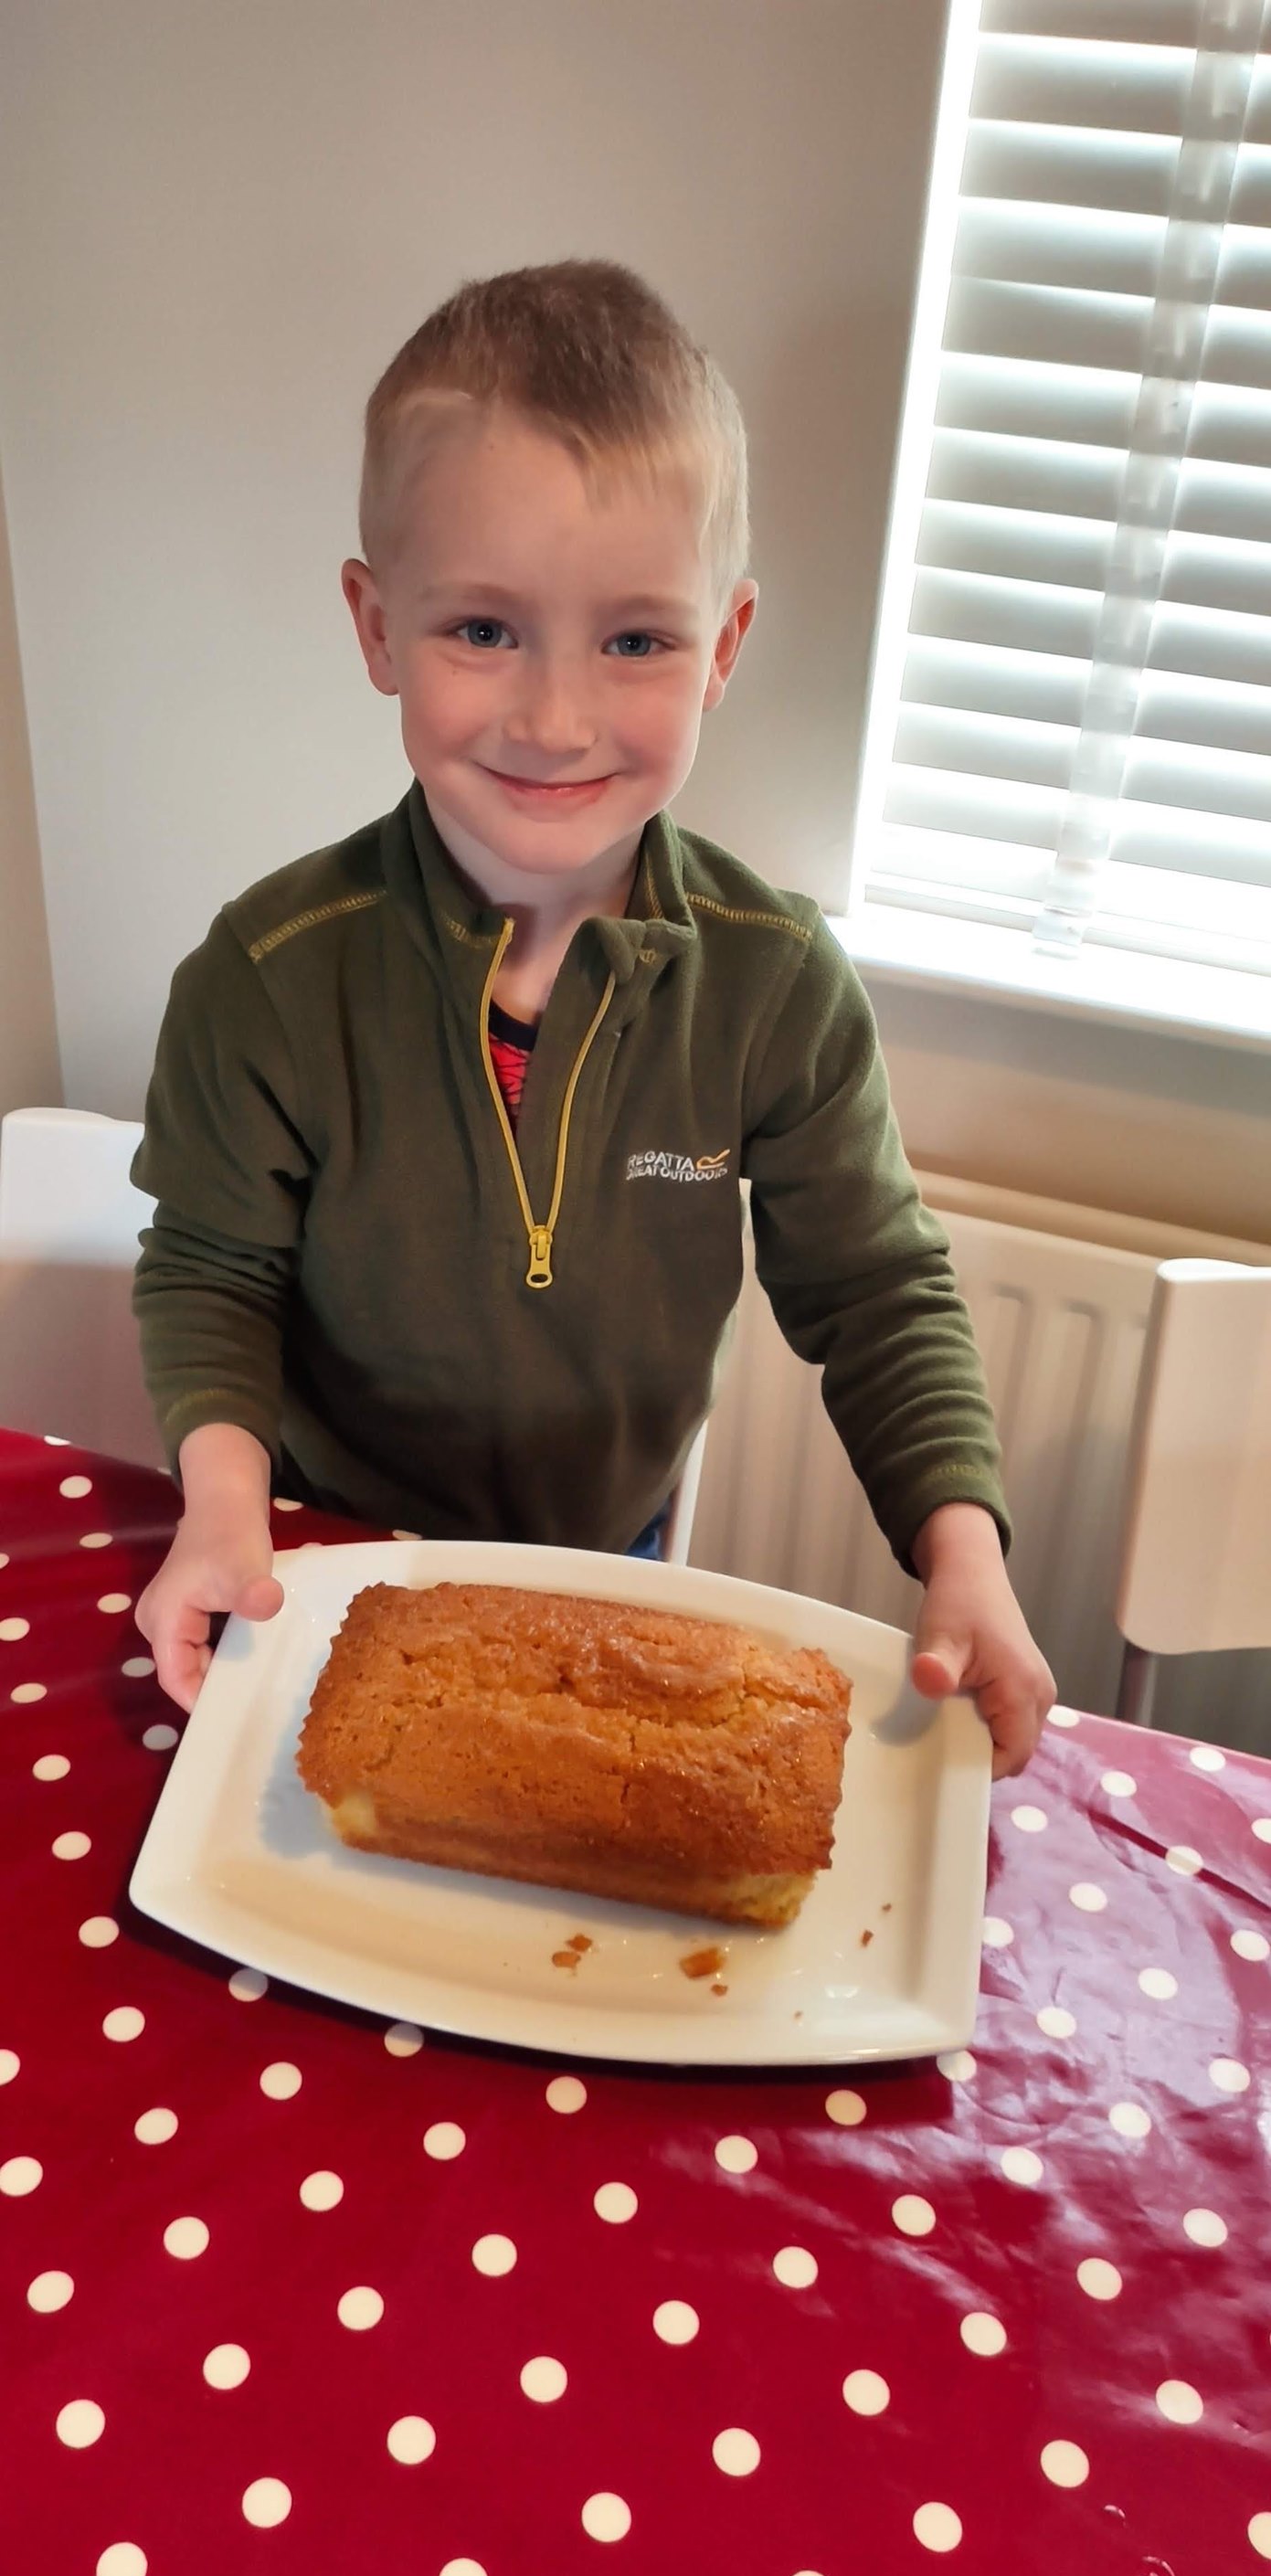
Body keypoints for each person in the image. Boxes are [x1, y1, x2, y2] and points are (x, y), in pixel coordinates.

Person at [132, 258, 1054, 1770]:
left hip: (602, 1566)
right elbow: (211, 1269)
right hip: (320, 1556)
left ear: (728, 647)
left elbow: (879, 1294)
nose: (555, 718)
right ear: (376, 628)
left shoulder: (777, 984)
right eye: (483, 629)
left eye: (635, 640)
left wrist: (967, 1554)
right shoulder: (268, 974)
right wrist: (225, 1508)